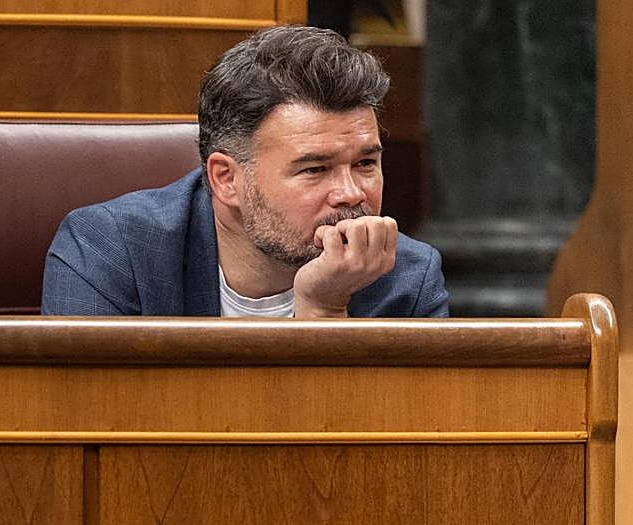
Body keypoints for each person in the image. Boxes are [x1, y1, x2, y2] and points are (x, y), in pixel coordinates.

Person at [41, 26, 449, 318]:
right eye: (314, 169)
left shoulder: (404, 280)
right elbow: (100, 427)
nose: (350, 193)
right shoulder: (112, 251)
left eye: (365, 164)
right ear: (225, 179)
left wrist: (323, 309)